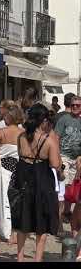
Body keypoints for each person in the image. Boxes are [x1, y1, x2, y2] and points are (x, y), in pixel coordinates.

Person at [11, 103, 61, 262]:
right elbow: (55, 164)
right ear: (43, 120)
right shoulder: (48, 140)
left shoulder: (21, 137)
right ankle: (37, 259)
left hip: (23, 181)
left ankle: (20, 258)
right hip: (42, 182)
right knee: (42, 224)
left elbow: (21, 156)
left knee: (23, 222)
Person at [0, 104, 25, 244]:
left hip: (3, 168)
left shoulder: (0, 132)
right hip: (18, 169)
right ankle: (12, 233)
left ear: (8, 117)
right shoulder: (23, 133)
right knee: (14, 200)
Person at [55, 95, 81, 234]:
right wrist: (57, 156)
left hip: (76, 159)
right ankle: (58, 223)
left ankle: (66, 215)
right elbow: (56, 137)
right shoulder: (64, 119)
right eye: (73, 105)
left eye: (78, 105)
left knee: (71, 192)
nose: (75, 107)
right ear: (70, 106)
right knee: (61, 190)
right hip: (63, 157)